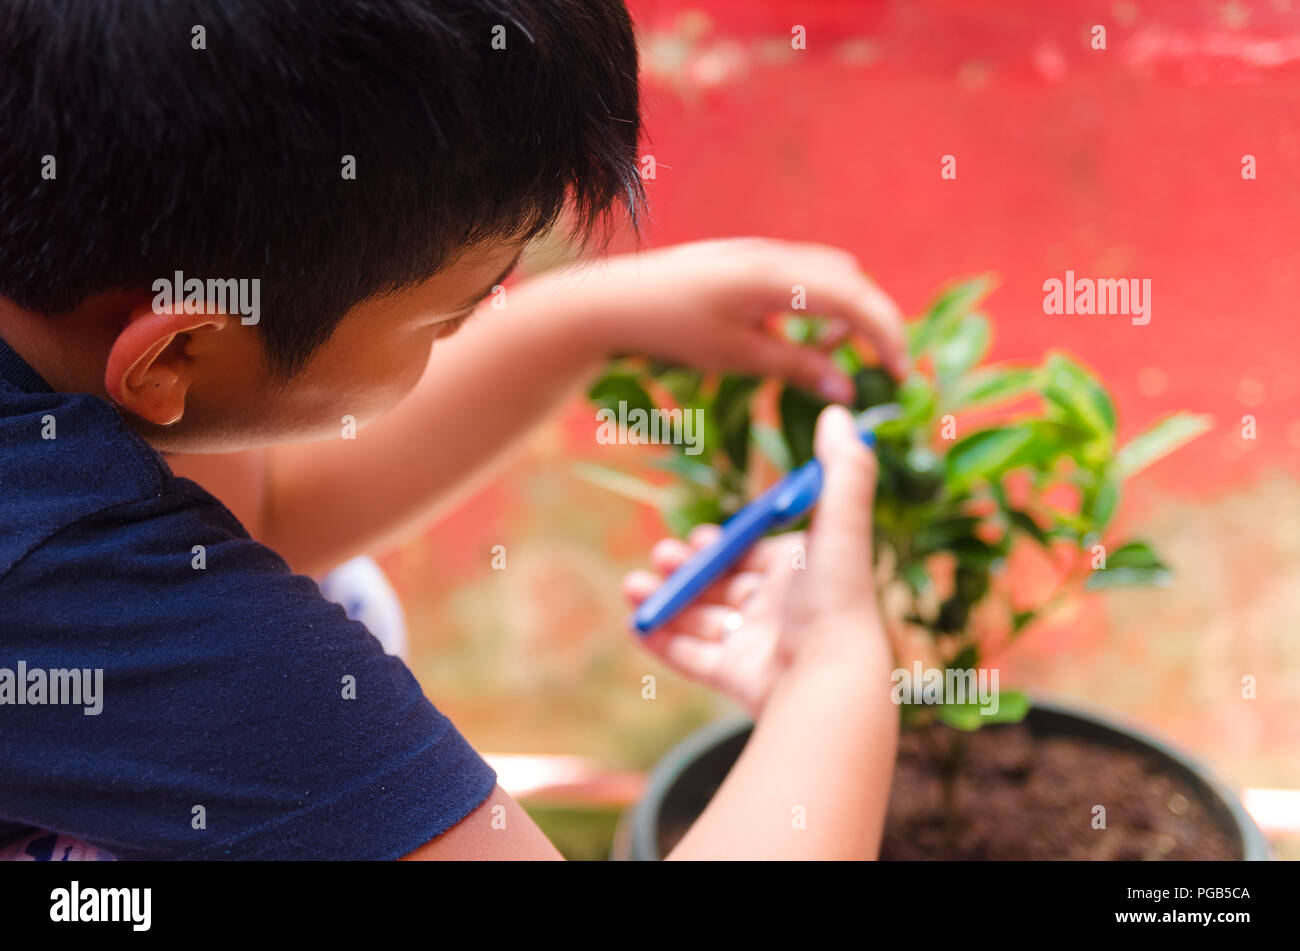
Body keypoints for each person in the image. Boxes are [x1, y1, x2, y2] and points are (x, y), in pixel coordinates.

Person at [0, 0, 902, 859]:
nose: (476, 316)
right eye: (451, 316)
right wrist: (833, 670)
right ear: (174, 355)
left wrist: (593, 320)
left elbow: (253, 509)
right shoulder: (155, 630)